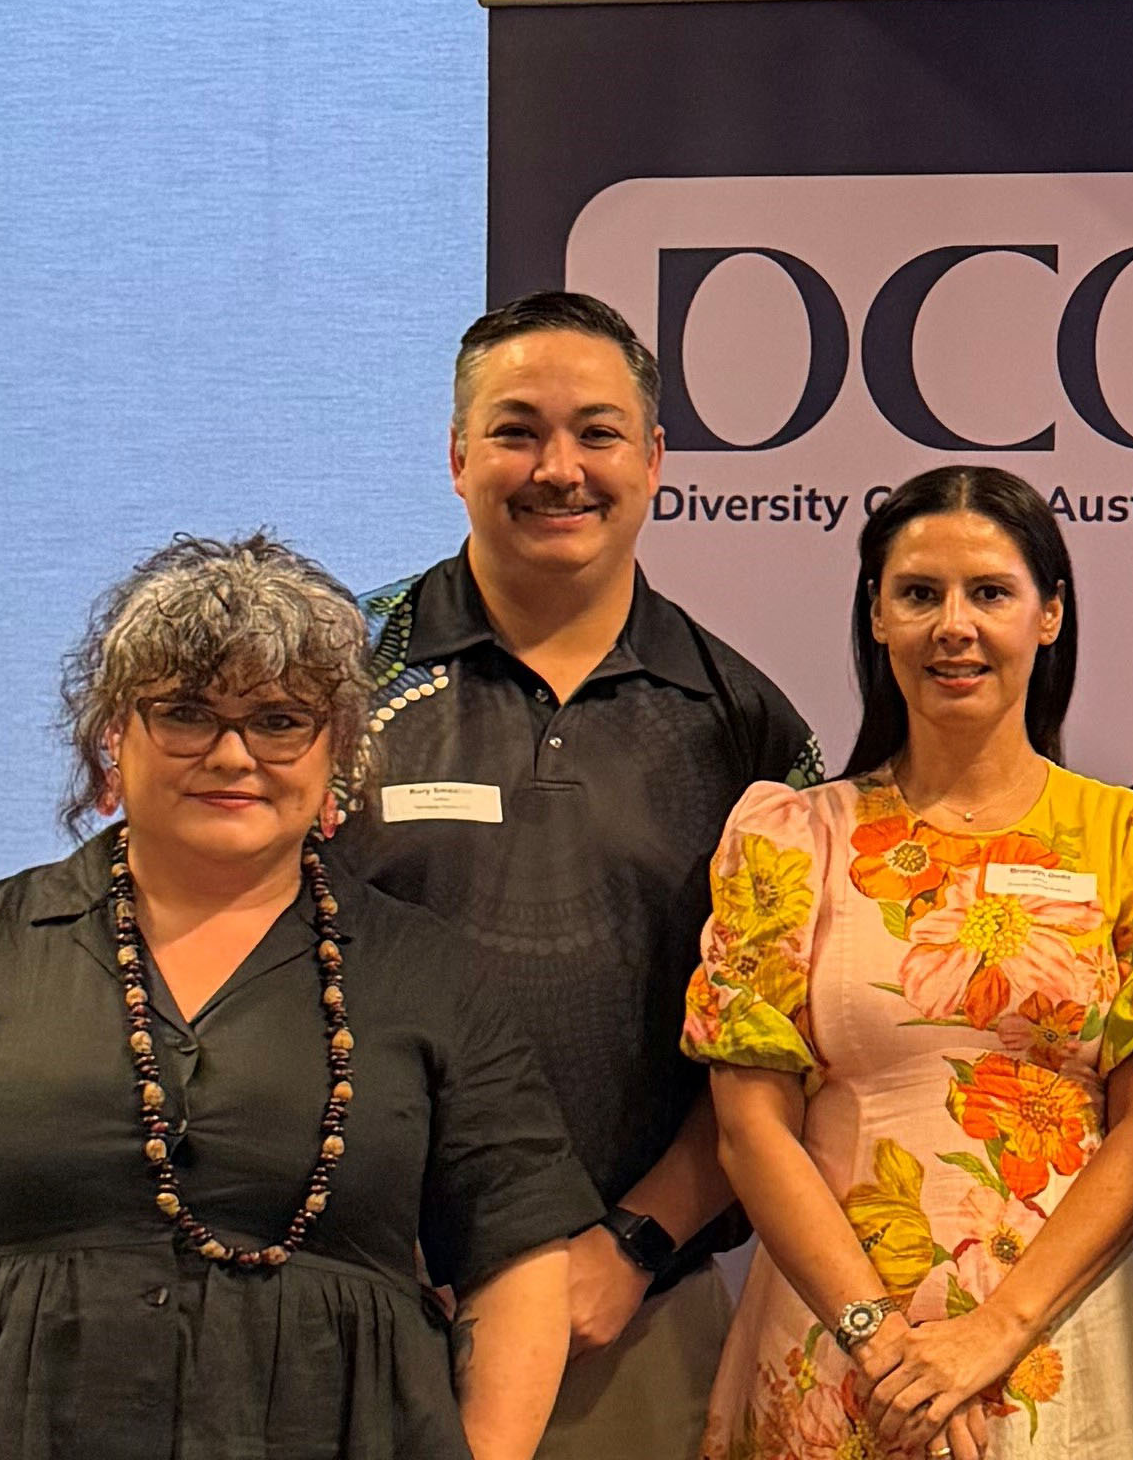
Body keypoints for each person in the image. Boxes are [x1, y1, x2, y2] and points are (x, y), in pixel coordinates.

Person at [0, 533, 596, 1460]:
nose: (234, 755)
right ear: (112, 739)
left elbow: (516, 1271)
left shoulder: (432, 975)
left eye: (281, 720)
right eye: (188, 714)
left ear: (338, 755)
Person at [328, 291, 817, 1458]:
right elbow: (241, 958)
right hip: (347, 1296)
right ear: (456, 456)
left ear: (655, 461)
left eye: (597, 433)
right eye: (515, 430)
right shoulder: (332, 676)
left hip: (628, 1318)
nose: (559, 469)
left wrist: (632, 1249)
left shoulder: (745, 723)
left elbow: (780, 1047)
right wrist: (373, 1236)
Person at [684, 466, 1133, 1459]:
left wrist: (987, 1337)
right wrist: (884, 1348)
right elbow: (752, 1134)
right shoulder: (788, 840)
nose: (952, 626)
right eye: (918, 594)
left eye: (990, 593)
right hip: (837, 1351)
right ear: (876, 618)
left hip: (1060, 1345)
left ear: (1049, 615)